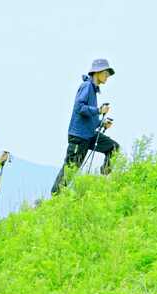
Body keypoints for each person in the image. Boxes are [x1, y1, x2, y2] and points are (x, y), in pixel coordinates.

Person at [51, 59, 120, 195]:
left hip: (88, 134)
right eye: (106, 73)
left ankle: (106, 176)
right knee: (70, 169)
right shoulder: (87, 86)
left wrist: (101, 123)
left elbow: (89, 116)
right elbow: (80, 108)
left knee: (113, 147)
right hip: (79, 137)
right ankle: (55, 197)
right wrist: (99, 111)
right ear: (97, 72)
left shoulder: (93, 91)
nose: (107, 76)